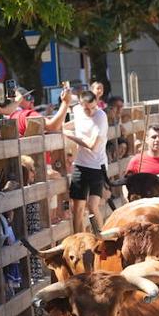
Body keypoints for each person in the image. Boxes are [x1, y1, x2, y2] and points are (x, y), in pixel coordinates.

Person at [64, 90, 109, 232]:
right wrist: (61, 127)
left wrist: (67, 134)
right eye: (86, 109)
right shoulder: (76, 111)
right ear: (80, 104)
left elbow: (92, 145)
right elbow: (76, 122)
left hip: (97, 166)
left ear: (96, 104)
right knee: (77, 208)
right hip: (80, 165)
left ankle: (103, 237)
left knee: (92, 206)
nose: (90, 112)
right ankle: (80, 241)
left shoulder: (101, 116)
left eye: (93, 108)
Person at [0, 85, 69, 137]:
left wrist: (48, 114)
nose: (32, 100)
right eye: (28, 97)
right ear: (19, 100)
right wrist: (66, 102)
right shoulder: (26, 114)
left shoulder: (10, 116)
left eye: (32, 97)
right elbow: (53, 127)